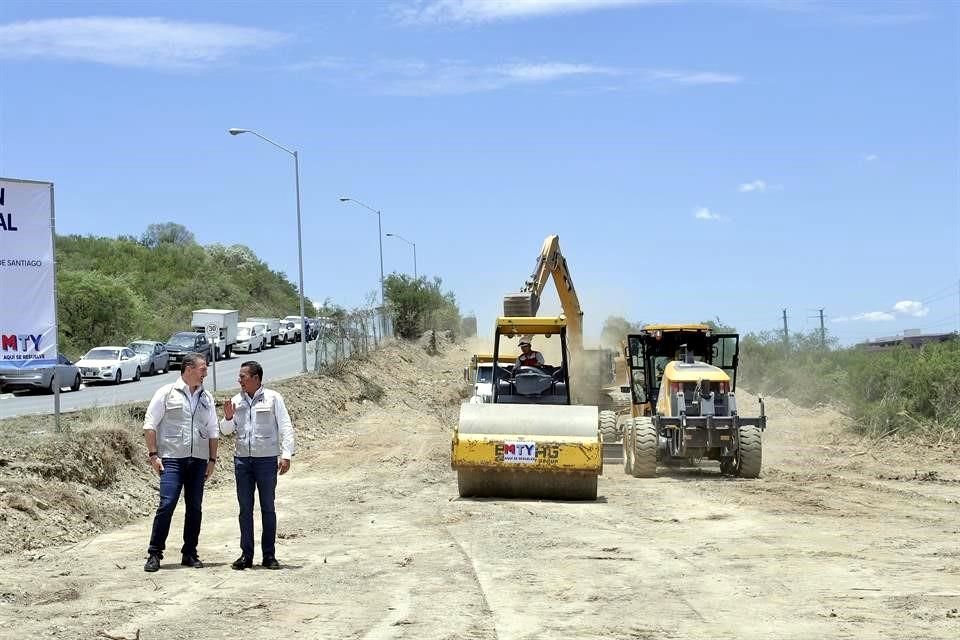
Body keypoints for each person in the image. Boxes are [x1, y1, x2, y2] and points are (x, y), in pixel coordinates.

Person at [143, 352, 219, 572]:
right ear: (189, 369)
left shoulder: (206, 397)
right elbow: (150, 424)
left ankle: (190, 552)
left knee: (195, 507)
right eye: (202, 369)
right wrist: (153, 455)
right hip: (172, 460)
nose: (205, 373)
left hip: (198, 461)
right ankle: (155, 553)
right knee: (167, 504)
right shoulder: (166, 393)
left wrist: (212, 460)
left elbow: (213, 430)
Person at [220, 361, 296, 570]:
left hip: (266, 460)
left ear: (256, 378)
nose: (239, 380)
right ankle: (246, 555)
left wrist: (286, 455)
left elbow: (285, 426)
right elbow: (225, 431)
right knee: (245, 509)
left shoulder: (273, 398)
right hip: (243, 461)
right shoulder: (236, 401)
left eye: (243, 376)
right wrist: (228, 417)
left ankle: (269, 555)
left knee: (267, 508)